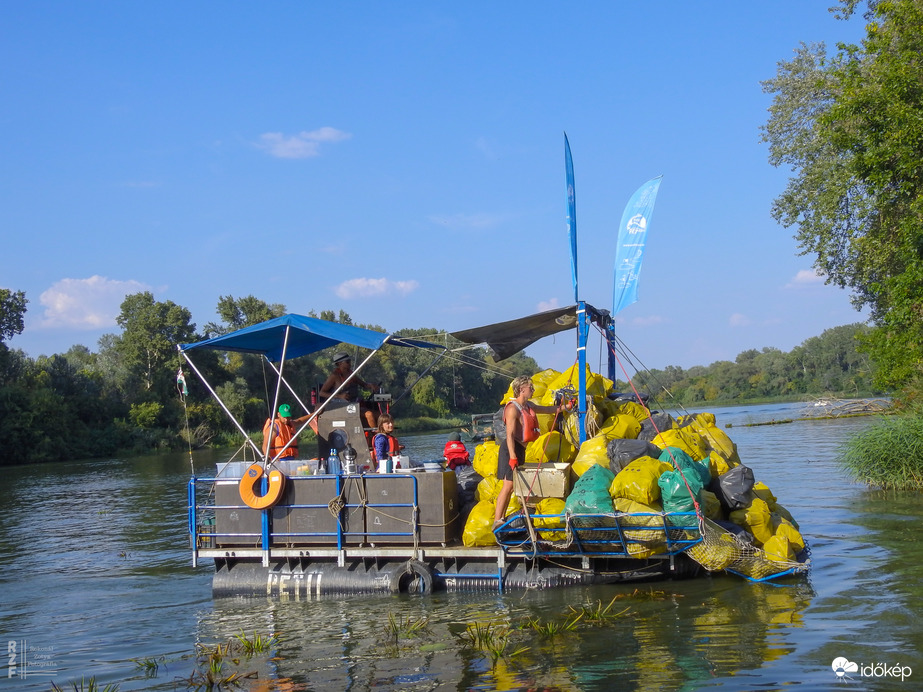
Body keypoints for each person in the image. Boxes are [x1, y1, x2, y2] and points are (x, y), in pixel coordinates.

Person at [494, 375, 567, 530]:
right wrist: (512, 456)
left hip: (520, 448)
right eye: (530, 388)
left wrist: (565, 407)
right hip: (510, 449)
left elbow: (548, 409)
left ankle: (501, 518)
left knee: (512, 486)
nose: (533, 390)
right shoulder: (513, 408)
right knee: (508, 485)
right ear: (522, 390)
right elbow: (509, 435)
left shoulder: (529, 405)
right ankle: (497, 520)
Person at [319, 351, 380, 428]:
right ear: (340, 363)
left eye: (350, 361)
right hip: (339, 406)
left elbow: (364, 384)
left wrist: (371, 385)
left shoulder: (351, 374)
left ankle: (380, 436)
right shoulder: (335, 376)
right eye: (347, 362)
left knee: (379, 414)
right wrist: (340, 396)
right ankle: (377, 437)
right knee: (369, 414)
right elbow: (321, 393)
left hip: (352, 405)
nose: (350, 363)